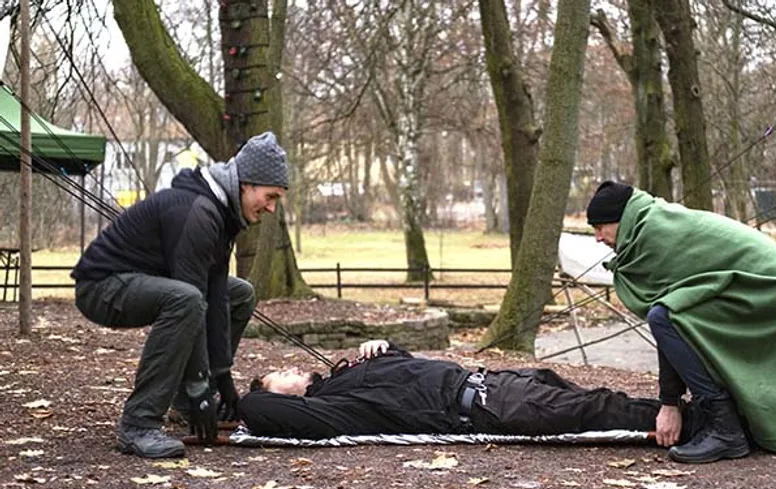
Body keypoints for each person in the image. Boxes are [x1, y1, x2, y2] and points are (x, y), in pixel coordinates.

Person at [72, 131, 290, 459]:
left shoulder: (222, 212)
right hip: (102, 287)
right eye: (270, 196)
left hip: (149, 282)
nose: (272, 208)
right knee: (186, 300)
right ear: (247, 183)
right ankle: (138, 424)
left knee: (239, 293)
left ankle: (184, 404)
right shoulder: (198, 213)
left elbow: (216, 296)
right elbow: (196, 302)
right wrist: (201, 385)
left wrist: (221, 376)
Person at [585, 181, 776, 463]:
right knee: (667, 315)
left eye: (601, 228)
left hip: (773, 291)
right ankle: (731, 417)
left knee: (664, 316)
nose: (598, 237)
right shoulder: (650, 221)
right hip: (763, 288)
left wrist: (669, 403)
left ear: (622, 219)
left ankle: (726, 430)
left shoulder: (654, 234)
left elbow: (667, 314)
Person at [238, 340, 703, 444]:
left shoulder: (343, 374)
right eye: (278, 374)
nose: (289, 367)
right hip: (484, 407)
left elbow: (409, 372)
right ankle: (699, 422)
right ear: (283, 398)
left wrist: (386, 348)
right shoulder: (330, 410)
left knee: (596, 397)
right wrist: (255, 397)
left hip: (492, 379)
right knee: (597, 408)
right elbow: (254, 409)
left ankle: (695, 412)